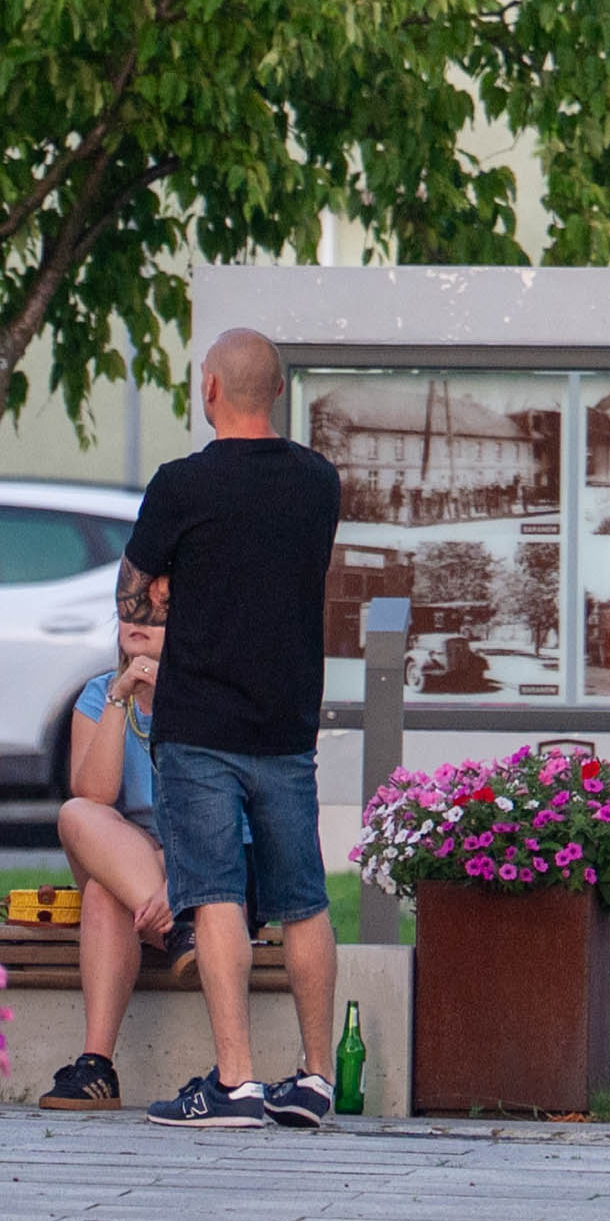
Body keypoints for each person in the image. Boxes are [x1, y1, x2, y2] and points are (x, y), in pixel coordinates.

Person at [119, 326, 345, 1128]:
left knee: (215, 894)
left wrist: (171, 588)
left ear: (208, 388)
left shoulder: (181, 485)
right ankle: (316, 1079)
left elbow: (134, 597)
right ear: (277, 391)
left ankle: (236, 1082)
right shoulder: (318, 482)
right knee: (304, 899)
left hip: (199, 722)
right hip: (286, 723)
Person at [36, 578, 178, 1112]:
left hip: (192, 862)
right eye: (130, 610)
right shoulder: (99, 694)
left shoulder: (204, 698)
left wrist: (179, 880)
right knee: (75, 813)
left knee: (102, 893)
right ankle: (180, 928)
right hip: (127, 853)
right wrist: (121, 698)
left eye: (157, 614)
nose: (139, 622)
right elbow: (94, 795)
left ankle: (96, 1065)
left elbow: (225, 816)